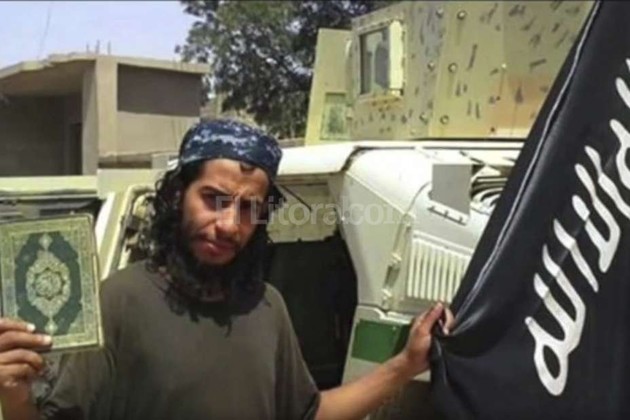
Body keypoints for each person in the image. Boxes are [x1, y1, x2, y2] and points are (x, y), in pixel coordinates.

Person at [0, 119, 454, 420]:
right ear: (177, 196)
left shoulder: (267, 307)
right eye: (213, 200)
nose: (229, 225)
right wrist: (13, 395)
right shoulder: (119, 301)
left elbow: (309, 413)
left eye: (248, 209)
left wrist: (405, 365)